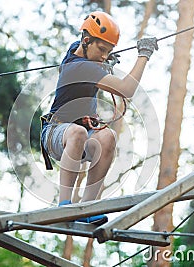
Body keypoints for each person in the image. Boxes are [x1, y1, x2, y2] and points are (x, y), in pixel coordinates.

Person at [40, 11, 158, 225]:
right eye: (102, 50)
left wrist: (104, 61)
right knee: (78, 132)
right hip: (54, 133)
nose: (104, 56)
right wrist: (144, 55)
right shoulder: (81, 67)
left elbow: (92, 58)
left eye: (108, 51)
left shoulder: (77, 50)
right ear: (86, 41)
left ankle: (87, 206)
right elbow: (126, 89)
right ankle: (64, 205)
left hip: (79, 136)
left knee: (108, 137)